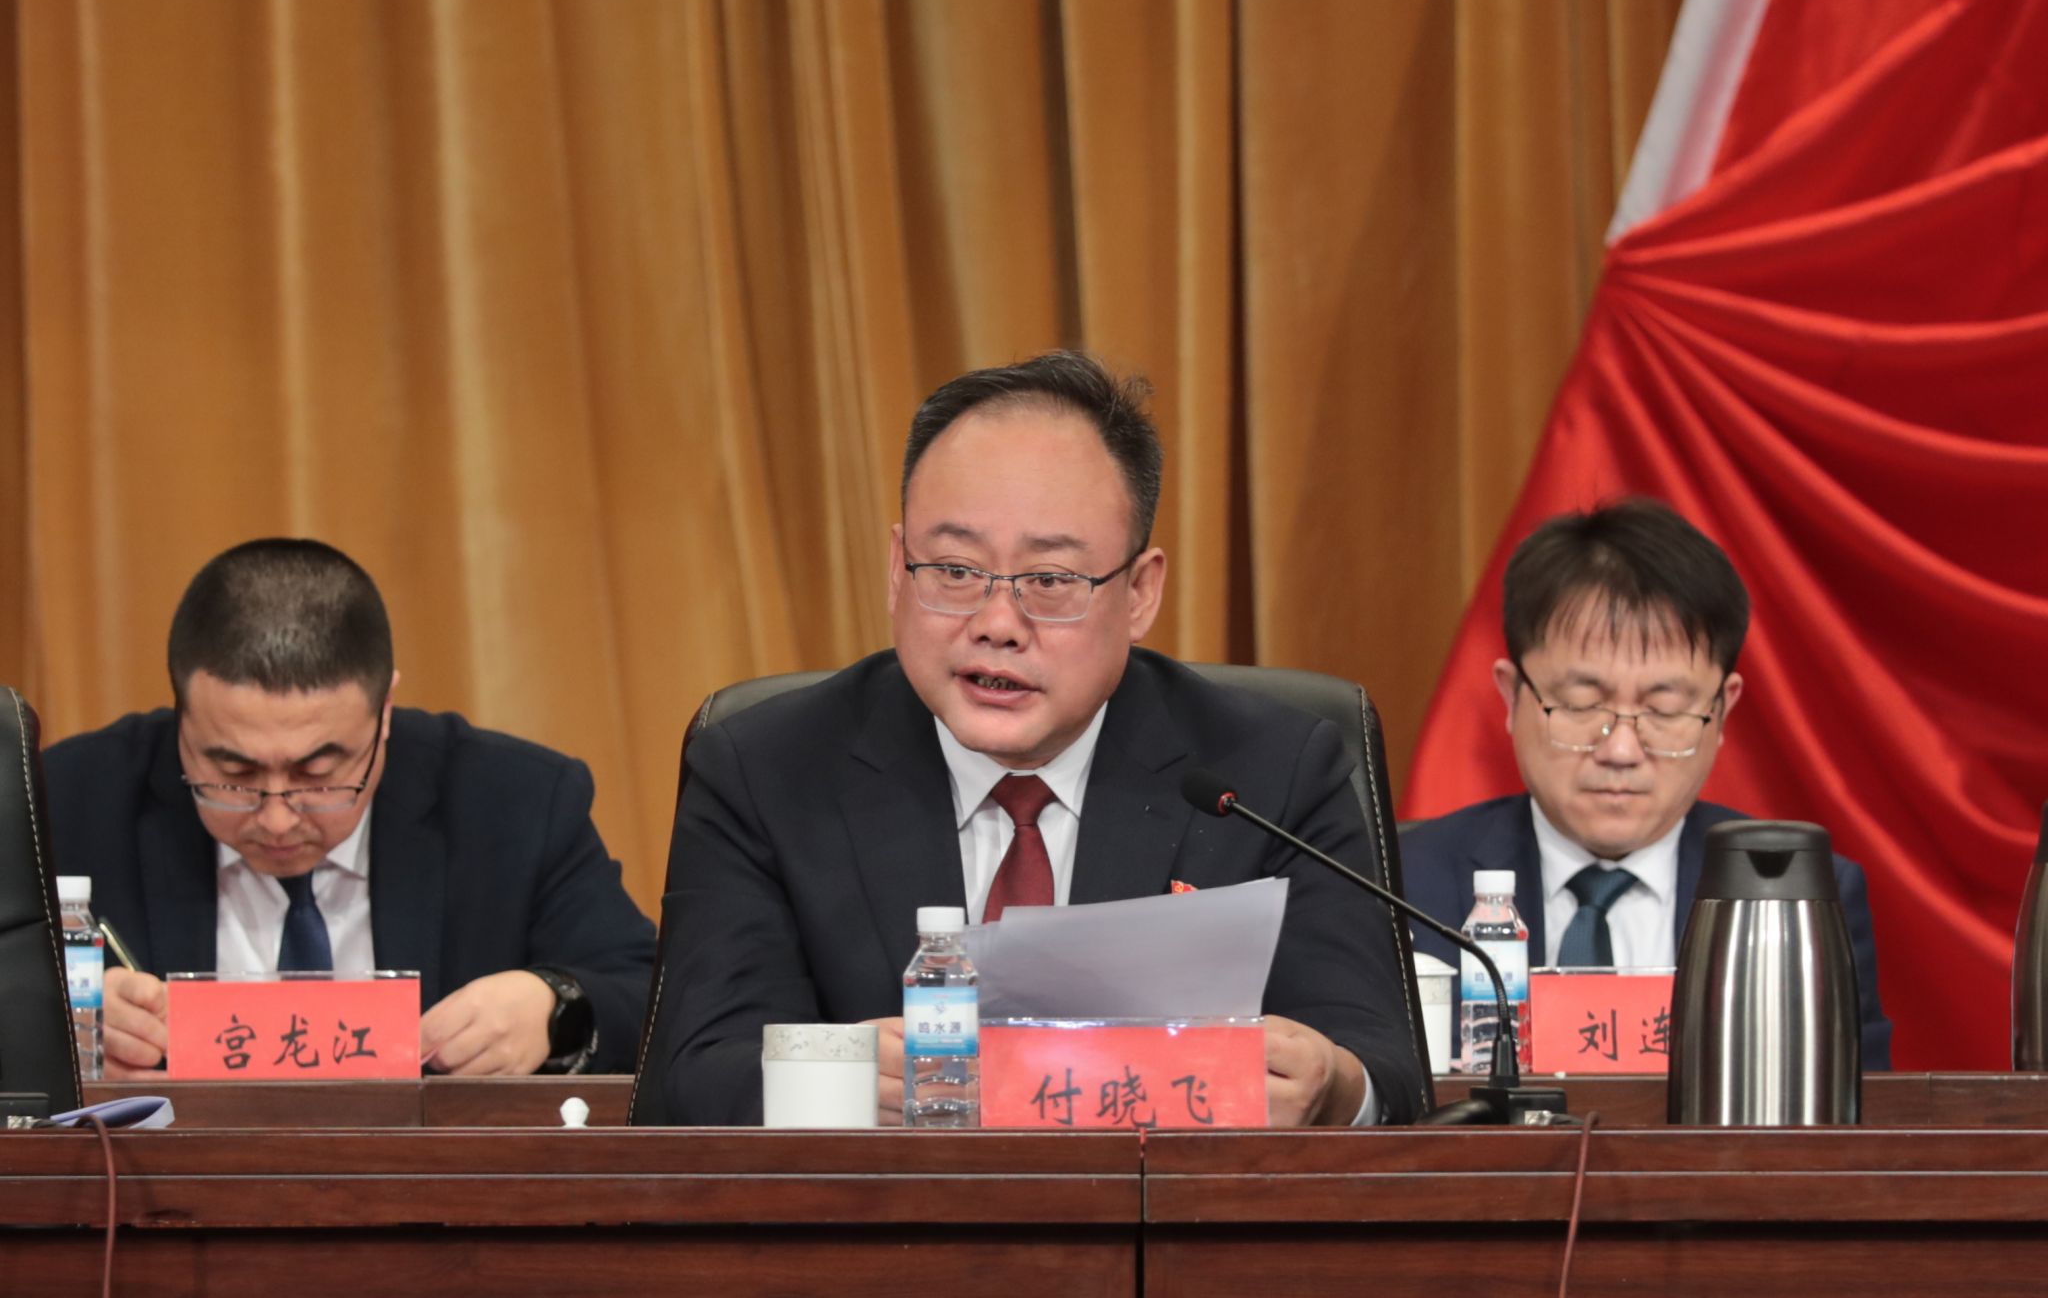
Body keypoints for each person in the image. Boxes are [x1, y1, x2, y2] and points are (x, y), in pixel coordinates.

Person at [655, 353, 1427, 1126]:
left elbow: (1383, 1070)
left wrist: (1332, 1086)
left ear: (1140, 592)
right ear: (897, 567)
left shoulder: (1268, 773)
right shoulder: (765, 771)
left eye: (1051, 580)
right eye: (954, 569)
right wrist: (842, 1078)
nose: (997, 623)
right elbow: (694, 1076)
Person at [45, 539, 656, 1078]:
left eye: (318, 774)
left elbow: (648, 992)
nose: (277, 818)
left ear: (384, 713)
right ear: (181, 714)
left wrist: (553, 1006)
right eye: (234, 775)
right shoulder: (65, 800)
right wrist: (51, 1025)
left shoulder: (513, 801)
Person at [1401, 499, 1892, 1068]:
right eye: (1582, 704)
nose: (1621, 751)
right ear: (1512, 697)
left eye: (1665, 710)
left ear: (1722, 711)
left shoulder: (1802, 901)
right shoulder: (1406, 886)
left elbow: (1849, 1110)